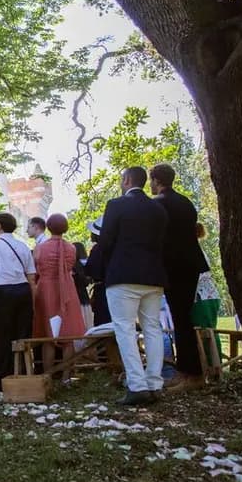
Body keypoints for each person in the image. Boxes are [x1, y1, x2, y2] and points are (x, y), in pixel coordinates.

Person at [100, 166, 169, 406]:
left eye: (122, 179)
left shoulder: (116, 205)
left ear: (128, 180)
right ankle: (154, 383)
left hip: (123, 275)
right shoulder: (158, 208)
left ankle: (137, 385)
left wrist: (105, 266)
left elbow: (106, 241)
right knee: (153, 329)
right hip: (153, 275)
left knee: (125, 330)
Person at [150, 163, 210, 391]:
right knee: (182, 317)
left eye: (151, 180)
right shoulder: (185, 202)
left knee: (182, 319)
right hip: (190, 264)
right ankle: (185, 371)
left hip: (174, 266)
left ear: (156, 180)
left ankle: (192, 375)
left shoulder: (158, 204)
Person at [0, 213, 36, 392]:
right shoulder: (23, 246)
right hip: (23, 291)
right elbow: (31, 277)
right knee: (20, 336)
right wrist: (32, 302)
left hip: (3, 292)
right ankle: (20, 375)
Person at [33, 214, 87, 376]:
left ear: (48, 227)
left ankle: (48, 375)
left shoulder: (40, 248)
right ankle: (66, 376)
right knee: (68, 334)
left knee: (47, 336)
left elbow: (35, 269)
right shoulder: (72, 248)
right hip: (67, 288)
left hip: (47, 289)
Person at [83, 218, 111, 326]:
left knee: (102, 320)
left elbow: (90, 270)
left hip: (101, 290)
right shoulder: (114, 248)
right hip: (112, 286)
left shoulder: (97, 249)